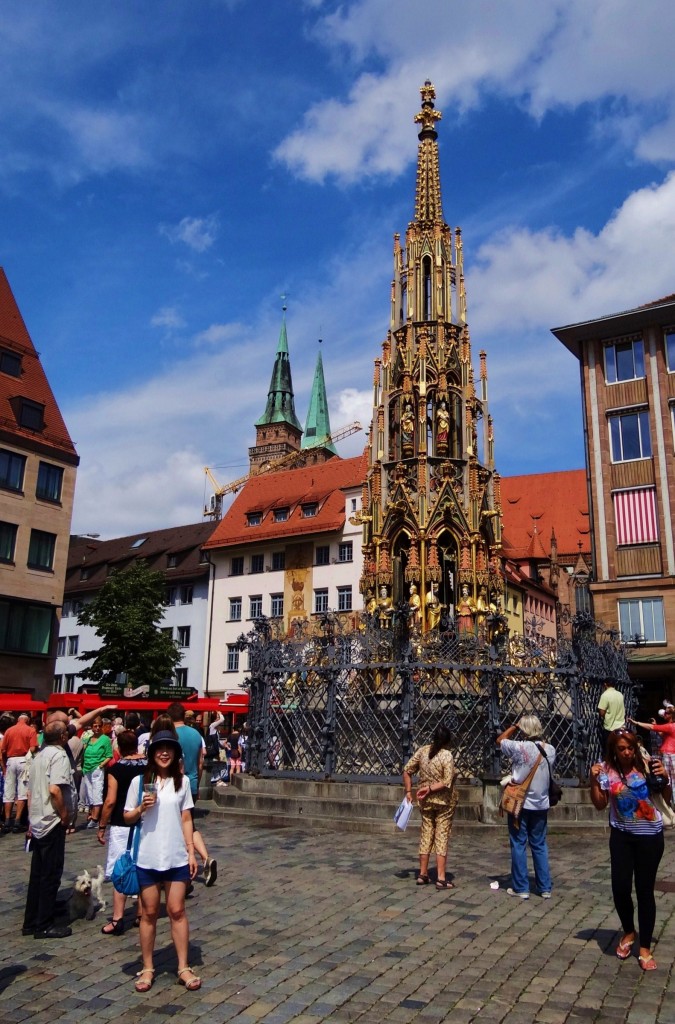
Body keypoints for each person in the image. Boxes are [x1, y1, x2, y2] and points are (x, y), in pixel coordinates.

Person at [124, 730, 200, 992]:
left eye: (169, 748)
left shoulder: (183, 782)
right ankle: (147, 967)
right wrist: (140, 808)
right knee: (149, 913)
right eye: (159, 748)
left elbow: (186, 818)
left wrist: (191, 851)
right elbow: (126, 817)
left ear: (176, 753)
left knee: (177, 910)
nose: (164, 753)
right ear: (152, 753)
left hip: (176, 856)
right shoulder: (139, 782)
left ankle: (183, 966)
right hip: (148, 856)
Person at [589, 730, 671, 971]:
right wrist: (594, 781)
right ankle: (629, 931)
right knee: (620, 887)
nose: (627, 753)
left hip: (650, 837)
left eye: (630, 748)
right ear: (614, 750)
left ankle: (644, 947)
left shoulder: (648, 765)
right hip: (622, 837)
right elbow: (600, 804)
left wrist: (665, 778)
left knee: (645, 891)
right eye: (622, 749)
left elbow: (666, 798)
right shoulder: (606, 770)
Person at [22, 721, 76, 939]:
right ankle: (44, 924)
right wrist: (64, 815)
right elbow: (55, 790)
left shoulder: (39, 756)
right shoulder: (58, 755)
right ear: (62, 737)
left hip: (37, 819)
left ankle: (31, 921)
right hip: (51, 821)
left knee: (38, 874)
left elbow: (29, 792)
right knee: (50, 874)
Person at [496, 715, 555, 900]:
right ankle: (545, 887)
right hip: (541, 803)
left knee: (518, 843)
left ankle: (521, 887)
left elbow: (500, 740)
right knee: (539, 844)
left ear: (523, 730)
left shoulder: (519, 747)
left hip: (519, 803)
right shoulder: (550, 749)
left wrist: (514, 726)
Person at [97, 730, 147, 935]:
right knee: (142, 868)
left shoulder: (116, 769)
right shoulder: (148, 765)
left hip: (122, 822)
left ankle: (117, 919)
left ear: (119, 747)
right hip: (144, 821)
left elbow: (110, 800)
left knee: (121, 869)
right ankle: (141, 914)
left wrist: (102, 825)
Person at [402, 723, 458, 890]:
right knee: (441, 836)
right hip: (443, 802)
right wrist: (430, 789)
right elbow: (446, 781)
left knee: (426, 834)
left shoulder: (423, 751)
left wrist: (408, 791)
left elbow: (407, 770)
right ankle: (441, 877)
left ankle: (422, 874)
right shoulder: (446, 755)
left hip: (425, 802)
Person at [167, 703, 217, 887]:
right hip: (192, 783)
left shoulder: (170, 734)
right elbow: (201, 761)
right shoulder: (196, 734)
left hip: (174, 783)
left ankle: (182, 872)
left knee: (176, 827)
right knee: (189, 823)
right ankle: (205, 858)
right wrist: (196, 781)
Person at [1, 712, 39, 834]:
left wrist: (4, 767)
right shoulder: (30, 730)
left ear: (18, 720)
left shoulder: (9, 731)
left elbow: (2, 750)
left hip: (11, 760)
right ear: (27, 720)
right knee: (22, 792)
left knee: (8, 792)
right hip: (23, 760)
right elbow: (33, 748)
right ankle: (17, 822)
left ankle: (7, 821)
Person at [629, 704, 675, 802]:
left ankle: (670, 800)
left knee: (669, 779)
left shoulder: (671, 726)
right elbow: (662, 734)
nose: (664, 714)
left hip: (669, 757)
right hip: (667, 755)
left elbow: (651, 727)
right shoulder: (670, 726)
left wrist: (637, 723)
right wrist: (656, 725)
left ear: (672, 715)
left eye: (667, 713)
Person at [81, 716, 114, 828]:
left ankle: (95, 819)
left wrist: (101, 765)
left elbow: (109, 755)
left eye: (99, 726)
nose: (97, 728)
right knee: (89, 793)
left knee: (97, 792)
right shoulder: (88, 739)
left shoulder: (105, 739)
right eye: (95, 726)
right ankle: (92, 814)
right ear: (92, 727)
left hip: (97, 768)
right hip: (87, 768)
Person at [598, 679, 626, 755]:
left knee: (609, 751)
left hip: (610, 728)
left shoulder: (605, 695)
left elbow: (602, 712)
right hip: (621, 726)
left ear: (605, 684)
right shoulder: (620, 694)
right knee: (620, 749)